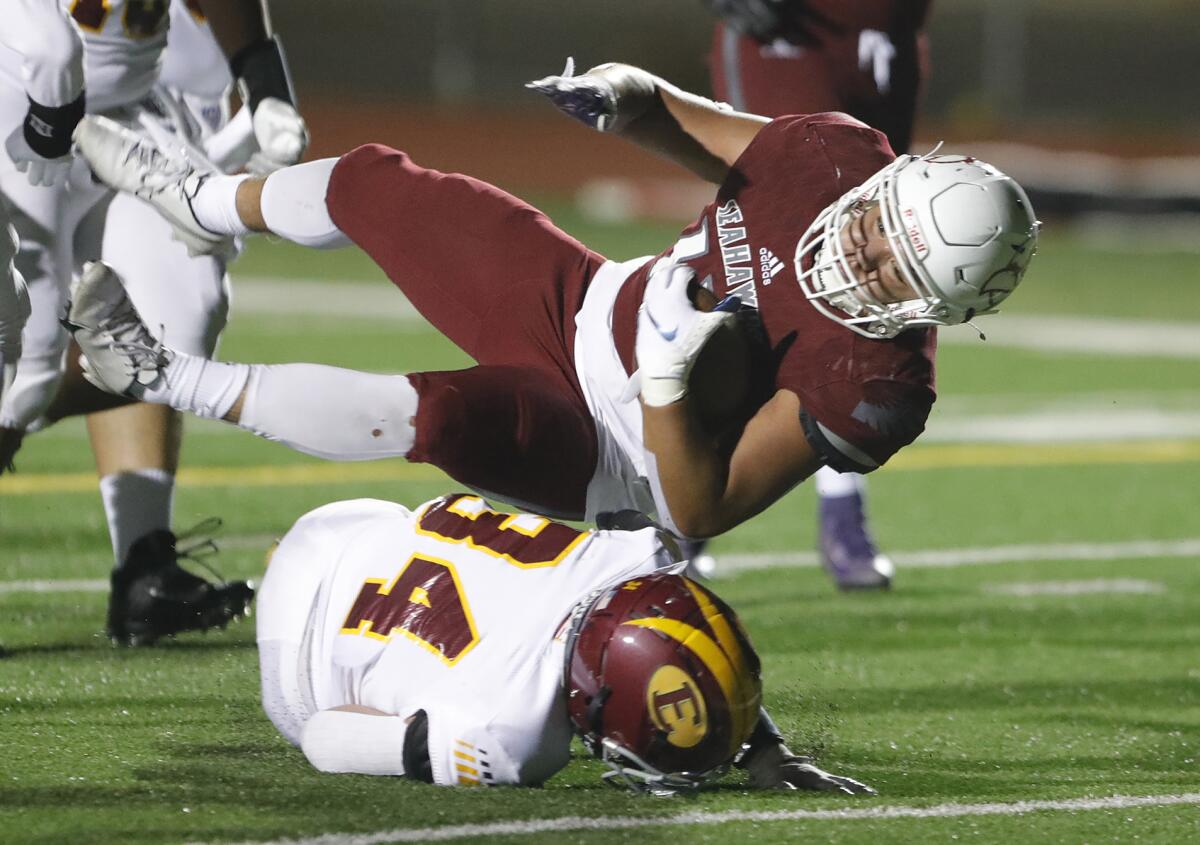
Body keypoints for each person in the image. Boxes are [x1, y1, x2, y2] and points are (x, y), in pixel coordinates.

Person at [64, 60, 1038, 555]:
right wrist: (626, 94)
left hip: (616, 458)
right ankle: (194, 197)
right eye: (877, 228)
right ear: (889, 184)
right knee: (376, 183)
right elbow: (686, 124)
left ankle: (158, 374)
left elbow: (698, 507)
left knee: (438, 415)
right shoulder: (837, 156)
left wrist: (662, 380)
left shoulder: (879, 384)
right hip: (584, 300)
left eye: (894, 273)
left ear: (935, 307)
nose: (860, 256)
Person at [0, 0, 307, 645]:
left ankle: (144, 567)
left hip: (133, 112)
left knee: (172, 330)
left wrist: (267, 89)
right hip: (19, 101)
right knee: (19, 348)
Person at [258, 489, 873, 792]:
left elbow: (671, 642)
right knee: (301, 714)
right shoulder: (511, 738)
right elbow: (324, 736)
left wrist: (764, 750)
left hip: (359, 519)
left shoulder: (638, 557)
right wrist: (419, 739)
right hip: (300, 633)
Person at [703, 0, 934, 589]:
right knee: (778, 223)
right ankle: (686, 489)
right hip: (795, 21)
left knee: (890, 237)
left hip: (886, 23)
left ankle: (840, 483)